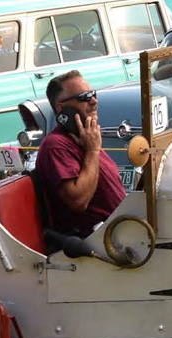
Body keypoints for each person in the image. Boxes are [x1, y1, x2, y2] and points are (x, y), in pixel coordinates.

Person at [34, 71, 127, 238]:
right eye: (84, 97)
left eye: (93, 94)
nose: (94, 101)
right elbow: (78, 201)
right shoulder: (56, 146)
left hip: (120, 229)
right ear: (62, 108)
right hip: (97, 241)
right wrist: (92, 150)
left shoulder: (83, 138)